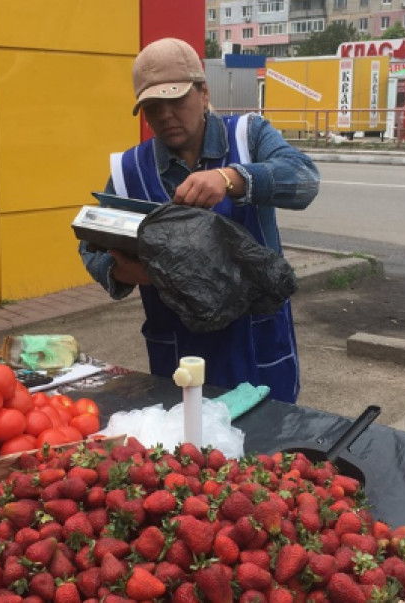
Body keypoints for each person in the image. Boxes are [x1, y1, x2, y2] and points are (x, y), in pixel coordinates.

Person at [79, 38, 320, 404]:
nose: (164, 115)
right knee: (189, 451)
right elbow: (91, 249)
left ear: (203, 92)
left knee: (268, 448)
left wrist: (231, 179)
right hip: (179, 350)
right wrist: (126, 272)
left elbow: (304, 180)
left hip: (255, 341)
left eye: (175, 100)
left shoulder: (248, 135)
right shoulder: (128, 171)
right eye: (152, 106)